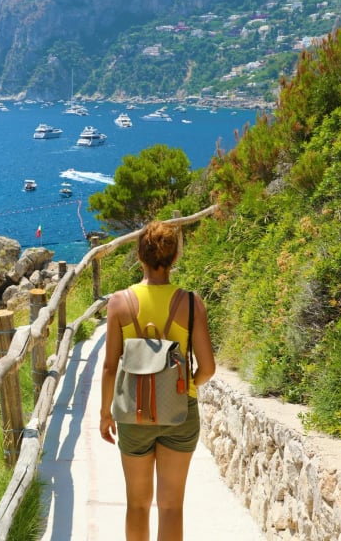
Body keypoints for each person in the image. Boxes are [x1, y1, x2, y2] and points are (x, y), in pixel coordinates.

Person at [100, 220, 216, 541]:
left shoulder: (119, 302)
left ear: (140, 256)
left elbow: (109, 367)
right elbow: (208, 368)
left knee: (137, 505)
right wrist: (186, 386)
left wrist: (105, 413)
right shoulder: (191, 303)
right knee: (171, 507)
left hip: (134, 413)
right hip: (180, 414)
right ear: (175, 257)